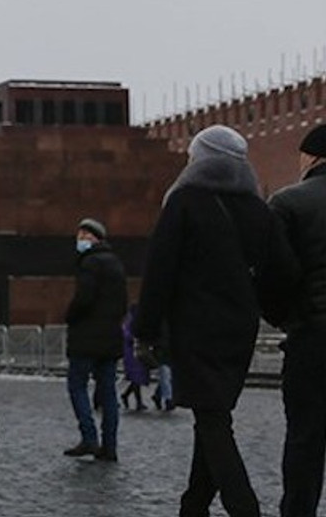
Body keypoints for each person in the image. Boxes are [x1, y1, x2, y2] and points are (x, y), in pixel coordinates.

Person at [136, 125, 299, 517]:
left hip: (195, 329)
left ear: (202, 159)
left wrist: (145, 330)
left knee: (212, 421)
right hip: (240, 330)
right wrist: (276, 315)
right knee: (212, 414)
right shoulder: (259, 209)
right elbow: (283, 274)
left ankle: (244, 508)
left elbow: (160, 270)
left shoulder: (184, 202)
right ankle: (193, 506)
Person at [267, 123, 326, 517]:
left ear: (312, 157)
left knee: (305, 439)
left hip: (313, 338)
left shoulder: (288, 202)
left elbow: (274, 274)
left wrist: (286, 318)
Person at [62, 218, 128, 462]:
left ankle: (89, 437)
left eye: (85, 235)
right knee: (108, 393)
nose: (80, 239)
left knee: (77, 385)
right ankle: (109, 446)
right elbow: (122, 304)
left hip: (86, 339)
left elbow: (84, 299)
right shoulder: (116, 264)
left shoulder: (90, 264)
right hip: (110, 339)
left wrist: (70, 316)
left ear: (96, 238)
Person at [121, 306, 149, 411]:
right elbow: (127, 336)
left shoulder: (130, 322)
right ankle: (138, 402)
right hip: (133, 354)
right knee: (137, 378)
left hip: (134, 353)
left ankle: (127, 396)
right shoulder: (131, 323)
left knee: (137, 378)